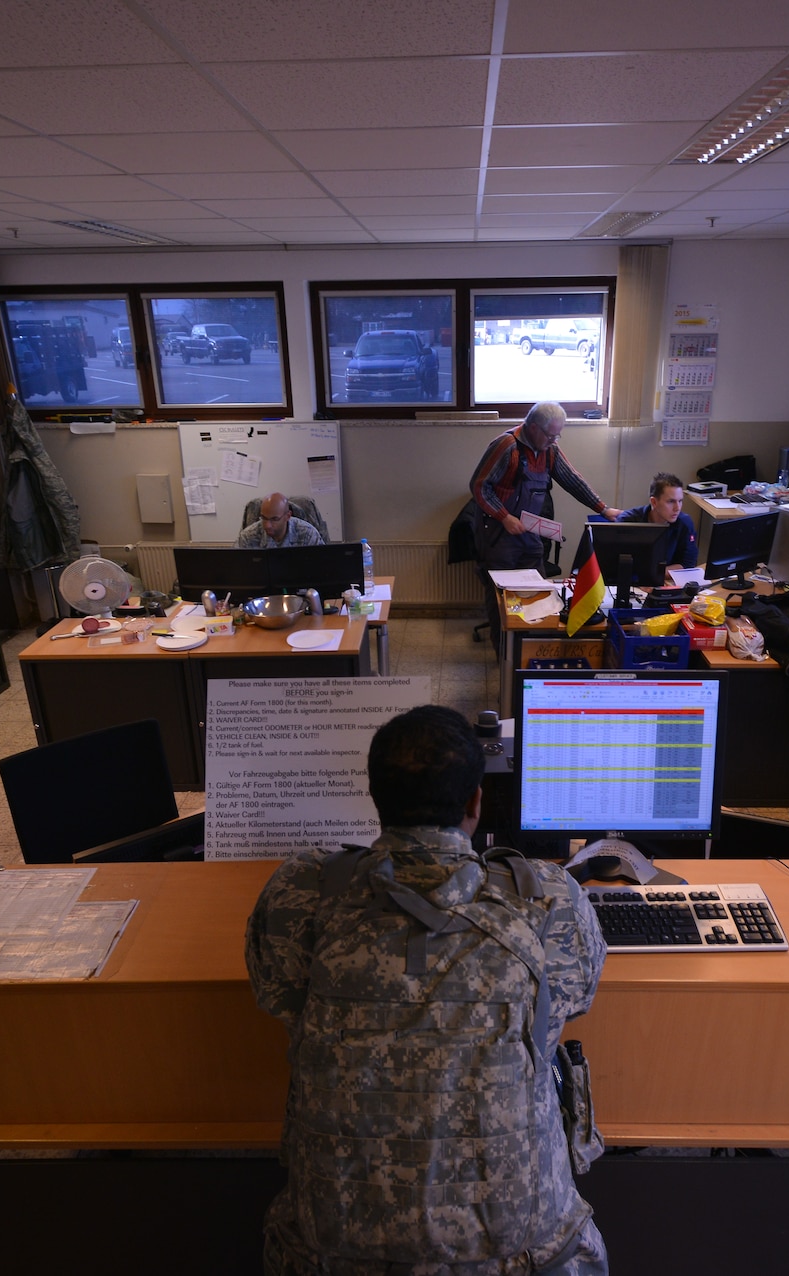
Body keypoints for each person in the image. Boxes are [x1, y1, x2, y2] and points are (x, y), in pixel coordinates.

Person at [246, 705, 609, 1276]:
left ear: (375, 797)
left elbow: (280, 998)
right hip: (521, 1254)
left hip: (332, 1251)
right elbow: (573, 1001)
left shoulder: (302, 890)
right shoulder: (550, 897)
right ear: (475, 803)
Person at [468, 402, 622, 571]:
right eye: (550, 436)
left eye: (557, 436)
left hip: (529, 531)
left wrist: (603, 509)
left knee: (537, 588)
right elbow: (479, 487)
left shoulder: (550, 450)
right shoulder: (507, 446)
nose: (553, 441)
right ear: (534, 428)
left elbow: (572, 480)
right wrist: (504, 517)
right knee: (502, 592)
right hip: (498, 534)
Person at [616, 472, 698, 569]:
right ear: (654, 502)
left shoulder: (685, 523)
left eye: (680, 501)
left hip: (668, 581)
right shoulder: (627, 521)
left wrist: (655, 573)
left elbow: (688, 564)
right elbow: (617, 563)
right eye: (671, 502)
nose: (677, 508)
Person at [237, 492, 324, 548]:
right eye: (264, 518)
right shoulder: (247, 537)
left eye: (274, 519)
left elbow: (323, 567)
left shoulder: (308, 534)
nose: (267, 525)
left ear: (288, 516)